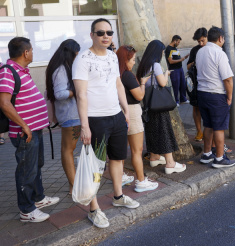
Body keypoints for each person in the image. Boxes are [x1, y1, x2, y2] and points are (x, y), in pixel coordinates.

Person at [73, 18, 139, 228]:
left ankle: (118, 197)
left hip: (116, 116)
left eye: (109, 33)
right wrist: (85, 125)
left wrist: (125, 111)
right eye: (100, 32)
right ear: (92, 35)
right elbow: (81, 94)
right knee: (95, 165)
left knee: (118, 159)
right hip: (95, 119)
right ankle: (94, 209)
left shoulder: (112, 56)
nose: (105, 36)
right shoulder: (82, 59)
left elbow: (118, 83)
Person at [0, 37, 59, 223]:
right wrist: (24, 125)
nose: (33, 52)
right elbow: (4, 103)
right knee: (26, 171)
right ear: (26, 53)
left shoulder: (22, 70)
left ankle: (38, 198)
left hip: (34, 129)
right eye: (32, 50)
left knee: (36, 166)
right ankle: (26, 210)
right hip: (24, 132)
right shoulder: (7, 72)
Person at [136, 40, 187, 175]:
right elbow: (163, 83)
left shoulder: (143, 65)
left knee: (152, 131)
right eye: (162, 52)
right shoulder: (156, 65)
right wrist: (166, 73)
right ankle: (170, 163)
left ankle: (154, 156)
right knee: (165, 132)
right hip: (159, 105)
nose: (162, 54)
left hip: (148, 105)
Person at [117, 45, 159, 192]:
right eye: (132, 59)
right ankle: (141, 181)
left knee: (121, 149)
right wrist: (142, 82)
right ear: (125, 59)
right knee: (136, 150)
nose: (134, 62)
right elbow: (139, 96)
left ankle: (120, 176)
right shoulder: (127, 75)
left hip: (118, 111)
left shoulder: (115, 73)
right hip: (132, 111)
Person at [45, 39, 81, 195]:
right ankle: (73, 186)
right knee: (68, 150)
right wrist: (76, 91)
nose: (77, 58)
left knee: (69, 149)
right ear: (70, 53)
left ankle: (74, 185)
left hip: (72, 115)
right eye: (76, 54)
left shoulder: (63, 67)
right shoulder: (61, 69)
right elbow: (60, 94)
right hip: (69, 115)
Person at [196, 26, 235, 167]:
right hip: (217, 95)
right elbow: (228, 79)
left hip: (202, 93)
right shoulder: (220, 53)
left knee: (208, 125)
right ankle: (219, 158)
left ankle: (206, 154)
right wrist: (229, 97)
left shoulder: (200, 51)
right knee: (219, 127)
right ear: (220, 38)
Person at [187, 28, 208, 142]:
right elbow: (188, 66)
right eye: (198, 41)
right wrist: (195, 62)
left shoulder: (212, 48)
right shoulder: (195, 50)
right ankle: (199, 131)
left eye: (202, 41)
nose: (200, 43)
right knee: (196, 107)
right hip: (196, 83)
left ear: (207, 36)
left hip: (208, 83)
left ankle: (207, 130)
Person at [166, 35, 189, 106]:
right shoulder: (169, 49)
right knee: (176, 85)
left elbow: (177, 59)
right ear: (174, 41)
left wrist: (184, 58)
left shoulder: (175, 48)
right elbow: (170, 61)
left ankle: (183, 99)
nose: (179, 43)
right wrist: (181, 59)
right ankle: (176, 101)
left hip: (180, 68)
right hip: (174, 70)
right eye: (178, 42)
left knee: (183, 84)